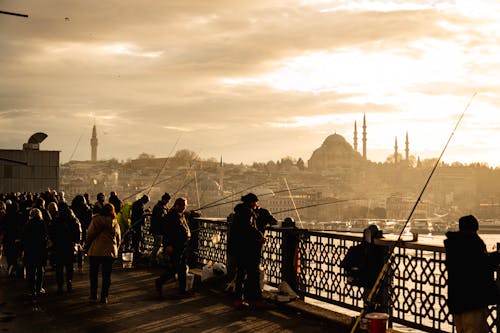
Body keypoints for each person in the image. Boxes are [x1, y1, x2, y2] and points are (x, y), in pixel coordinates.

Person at [444, 215, 500, 333]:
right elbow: (481, 265)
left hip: (457, 299)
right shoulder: (473, 243)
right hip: (472, 300)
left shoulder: (453, 244)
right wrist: (496, 256)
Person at [230, 193, 272, 309]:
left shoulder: (239, 211)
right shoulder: (247, 212)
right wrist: (259, 235)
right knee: (253, 273)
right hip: (247, 247)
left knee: (241, 273)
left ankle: (239, 299)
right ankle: (256, 299)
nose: (256, 204)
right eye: (255, 202)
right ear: (251, 202)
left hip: (239, 247)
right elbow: (248, 227)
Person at [155, 197, 193, 297]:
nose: (184, 207)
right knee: (176, 268)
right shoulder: (171, 216)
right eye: (182, 205)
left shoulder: (182, 215)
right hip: (175, 246)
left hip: (182, 247)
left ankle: (182, 290)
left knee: (181, 268)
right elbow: (166, 232)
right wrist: (168, 245)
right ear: (176, 205)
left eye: (185, 205)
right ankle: (160, 281)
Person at [86, 203, 121, 304]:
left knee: (94, 274)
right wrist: (116, 250)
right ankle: (104, 297)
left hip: (95, 251)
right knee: (106, 276)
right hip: (109, 252)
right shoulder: (115, 222)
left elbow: (90, 234)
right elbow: (119, 238)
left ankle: (93, 295)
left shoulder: (96, 220)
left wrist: (87, 244)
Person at [51, 202, 81, 293]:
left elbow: (52, 233)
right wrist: (76, 242)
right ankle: (69, 281)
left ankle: (60, 284)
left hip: (59, 245)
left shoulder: (57, 219)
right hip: (69, 245)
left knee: (59, 267)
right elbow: (78, 232)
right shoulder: (73, 219)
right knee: (69, 265)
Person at [23, 208, 49, 301]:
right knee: (40, 269)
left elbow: (24, 238)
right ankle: (39, 287)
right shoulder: (43, 224)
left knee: (31, 270)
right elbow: (46, 237)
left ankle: (32, 290)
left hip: (30, 250)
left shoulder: (28, 224)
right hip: (40, 249)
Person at [149, 193, 171, 266]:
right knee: (157, 245)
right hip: (158, 230)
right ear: (164, 199)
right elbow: (160, 219)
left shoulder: (161, 206)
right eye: (168, 200)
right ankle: (152, 259)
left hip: (159, 230)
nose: (168, 202)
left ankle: (155, 259)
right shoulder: (159, 207)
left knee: (157, 245)